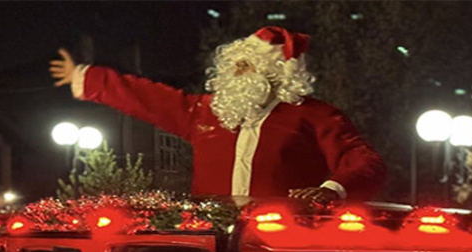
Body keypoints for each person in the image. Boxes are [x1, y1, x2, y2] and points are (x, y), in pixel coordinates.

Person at [50, 26, 386, 202]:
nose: (237, 71)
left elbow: (363, 161)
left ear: (276, 72)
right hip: (212, 246)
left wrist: (333, 189)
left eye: (247, 65)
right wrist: (88, 77)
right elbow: (146, 97)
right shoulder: (205, 113)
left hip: (281, 248)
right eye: (234, 65)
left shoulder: (313, 115)